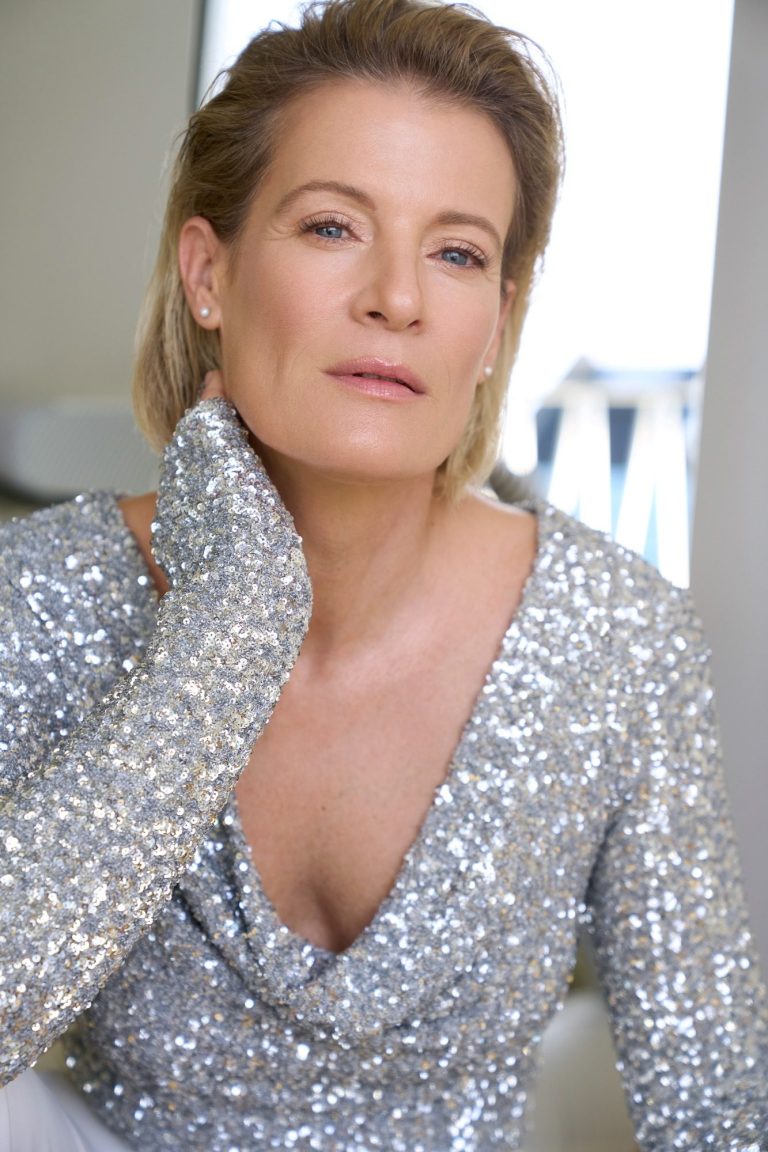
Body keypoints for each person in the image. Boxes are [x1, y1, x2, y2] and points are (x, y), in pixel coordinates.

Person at [0, 0, 766, 1148]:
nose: (397, 299)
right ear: (209, 273)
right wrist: (223, 632)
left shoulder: (618, 637)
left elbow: (714, 1105)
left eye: (457, 254)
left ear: (495, 323)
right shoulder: (40, 594)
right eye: (332, 227)